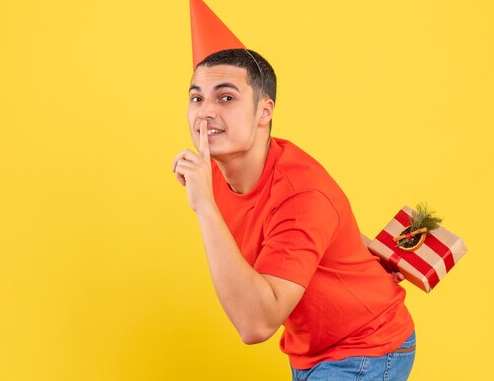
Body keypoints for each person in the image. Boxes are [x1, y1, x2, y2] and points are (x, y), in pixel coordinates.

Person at [172, 47, 416, 381]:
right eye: (197, 99)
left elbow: (256, 324)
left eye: (226, 98)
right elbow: (298, 224)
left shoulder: (299, 192)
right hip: (309, 350)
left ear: (264, 111)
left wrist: (204, 206)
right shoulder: (216, 172)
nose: (205, 113)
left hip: (365, 347)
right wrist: (363, 247)